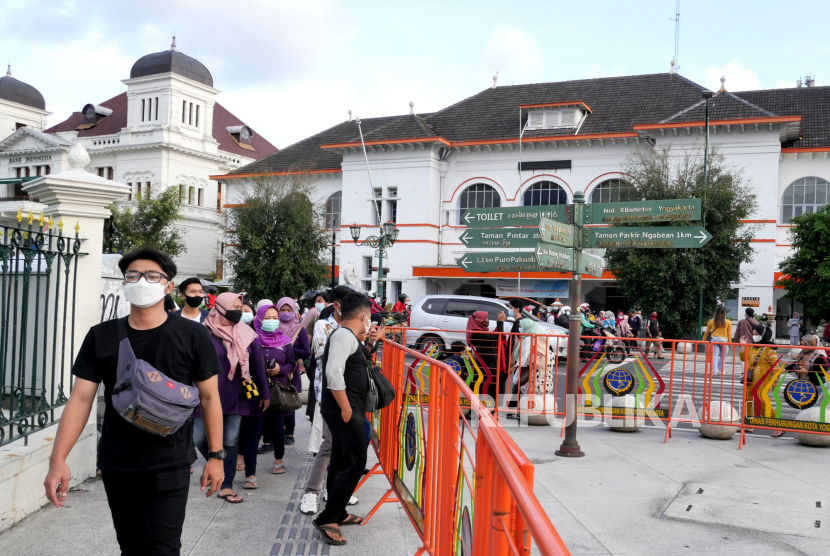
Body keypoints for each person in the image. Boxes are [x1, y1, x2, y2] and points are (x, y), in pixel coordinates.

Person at [45, 246, 225, 556]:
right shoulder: (101, 336)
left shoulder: (193, 335)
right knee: (130, 548)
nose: (142, 281)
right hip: (119, 463)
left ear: (168, 285)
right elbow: (80, 399)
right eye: (134, 275)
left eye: (152, 275)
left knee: (163, 550)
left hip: (170, 463)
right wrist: (57, 459)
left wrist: (217, 455)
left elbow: (210, 397)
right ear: (124, 282)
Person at [193, 292, 269, 504]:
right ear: (219, 307)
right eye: (233, 306)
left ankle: (226, 485)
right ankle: (214, 465)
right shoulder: (202, 331)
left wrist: (265, 392)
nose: (238, 310)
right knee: (198, 437)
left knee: (230, 439)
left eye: (240, 306)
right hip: (205, 396)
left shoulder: (246, 333)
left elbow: (256, 365)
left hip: (236, 394)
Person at [313, 292, 374, 545]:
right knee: (354, 462)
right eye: (369, 316)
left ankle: (337, 512)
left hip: (346, 407)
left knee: (340, 461)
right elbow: (333, 371)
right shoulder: (341, 336)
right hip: (345, 409)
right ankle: (328, 518)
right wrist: (346, 409)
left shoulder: (347, 336)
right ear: (363, 315)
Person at [300, 286, 355, 515]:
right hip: (329, 393)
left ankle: (332, 488)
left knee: (342, 444)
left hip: (350, 394)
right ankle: (311, 492)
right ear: (337, 305)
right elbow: (328, 357)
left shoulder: (353, 327)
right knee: (329, 443)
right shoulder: (325, 325)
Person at [254, 303, 299, 474]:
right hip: (256, 390)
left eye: (274, 318)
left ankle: (278, 461)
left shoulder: (284, 341)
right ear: (259, 318)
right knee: (253, 428)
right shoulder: (252, 339)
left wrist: (281, 370)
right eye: (267, 318)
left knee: (278, 428)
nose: (271, 321)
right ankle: (247, 465)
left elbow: (291, 363)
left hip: (278, 391)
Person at [507, 317, 550, 418]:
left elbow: (525, 355)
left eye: (521, 326)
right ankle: (514, 411)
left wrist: (515, 367)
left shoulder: (529, 338)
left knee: (520, 389)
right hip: (537, 368)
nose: (520, 328)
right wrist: (518, 343)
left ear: (527, 326)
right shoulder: (540, 336)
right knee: (522, 389)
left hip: (527, 367)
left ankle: (516, 411)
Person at [303, 291, 331, 418]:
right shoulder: (315, 320)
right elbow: (307, 341)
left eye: (320, 301)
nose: (318, 304)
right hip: (317, 362)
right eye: (317, 301)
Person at [704, 307, 732, 377]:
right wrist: (730, 343)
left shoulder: (711, 321)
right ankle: (720, 369)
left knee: (714, 356)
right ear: (724, 313)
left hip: (714, 340)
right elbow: (729, 333)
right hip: (724, 341)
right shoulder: (728, 322)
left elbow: (707, 332)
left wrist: (703, 340)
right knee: (723, 356)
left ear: (715, 313)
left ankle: (714, 371)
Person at [734, 308, 759, 378]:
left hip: (743, 342)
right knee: (751, 358)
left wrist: (734, 342)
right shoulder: (756, 322)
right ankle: (750, 371)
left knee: (742, 357)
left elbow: (737, 332)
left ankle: (743, 372)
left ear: (746, 313)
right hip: (753, 342)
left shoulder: (742, 322)